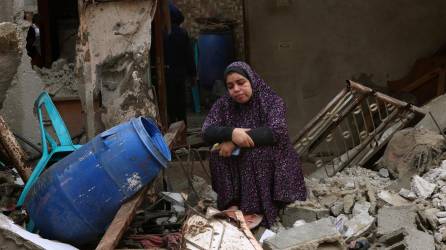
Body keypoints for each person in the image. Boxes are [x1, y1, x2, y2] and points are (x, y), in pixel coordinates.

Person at [202, 61, 307, 229]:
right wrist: (232, 133)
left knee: (254, 153)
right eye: (230, 86)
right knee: (217, 153)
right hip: (240, 151)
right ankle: (232, 204)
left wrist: (234, 139)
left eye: (241, 83)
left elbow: (276, 131)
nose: (236, 89)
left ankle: (256, 209)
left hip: (276, 157)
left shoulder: (272, 101)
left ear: (252, 80)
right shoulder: (224, 104)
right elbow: (207, 131)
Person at [164, 3, 196, 125]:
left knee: (170, 103)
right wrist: (192, 74)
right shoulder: (182, 33)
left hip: (166, 74)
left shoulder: (162, 33)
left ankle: (172, 126)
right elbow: (189, 56)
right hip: (179, 74)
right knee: (181, 103)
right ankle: (183, 127)